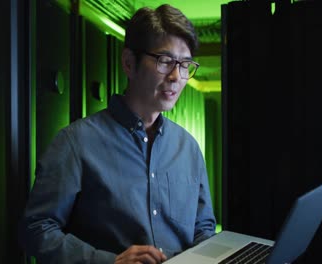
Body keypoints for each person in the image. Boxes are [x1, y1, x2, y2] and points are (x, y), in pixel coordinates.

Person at [22, 4, 216, 264]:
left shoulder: (188, 148)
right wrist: (109, 262)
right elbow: (37, 229)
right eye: (165, 61)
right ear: (128, 63)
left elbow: (203, 229)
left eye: (184, 65)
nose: (175, 76)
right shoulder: (75, 143)